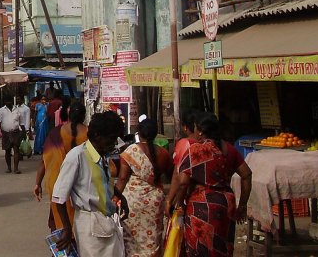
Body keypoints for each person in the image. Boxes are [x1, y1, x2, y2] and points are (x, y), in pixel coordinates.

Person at [171, 112, 252, 257]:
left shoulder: (196, 150)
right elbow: (246, 174)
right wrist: (243, 204)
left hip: (201, 204)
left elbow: (183, 183)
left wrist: (179, 203)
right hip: (227, 203)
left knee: (200, 248)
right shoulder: (229, 149)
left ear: (200, 130)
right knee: (222, 247)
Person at [51, 110, 129, 257]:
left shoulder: (103, 156)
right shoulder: (77, 156)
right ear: (97, 136)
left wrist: (121, 197)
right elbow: (58, 197)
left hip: (107, 222)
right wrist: (67, 229)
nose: (113, 143)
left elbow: (105, 183)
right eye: (111, 139)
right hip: (89, 226)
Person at [115, 117, 170, 257]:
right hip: (155, 202)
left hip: (133, 201)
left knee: (131, 242)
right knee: (153, 240)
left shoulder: (131, 151)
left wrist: (114, 198)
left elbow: (122, 178)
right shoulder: (163, 153)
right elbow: (172, 174)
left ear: (138, 133)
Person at [34, 100, 87, 231]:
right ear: (84, 116)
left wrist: (37, 183)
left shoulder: (55, 133)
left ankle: (62, 248)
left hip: (59, 186)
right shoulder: (90, 134)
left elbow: (44, 161)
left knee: (59, 223)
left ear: (68, 115)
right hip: (85, 187)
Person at [0, 96, 24, 174]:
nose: (9, 103)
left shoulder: (17, 110)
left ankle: (16, 168)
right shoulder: (1, 111)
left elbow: (22, 122)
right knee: (7, 151)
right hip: (6, 133)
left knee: (16, 150)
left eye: (10, 101)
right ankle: (9, 168)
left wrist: (24, 133)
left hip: (16, 132)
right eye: (7, 101)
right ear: (4, 102)